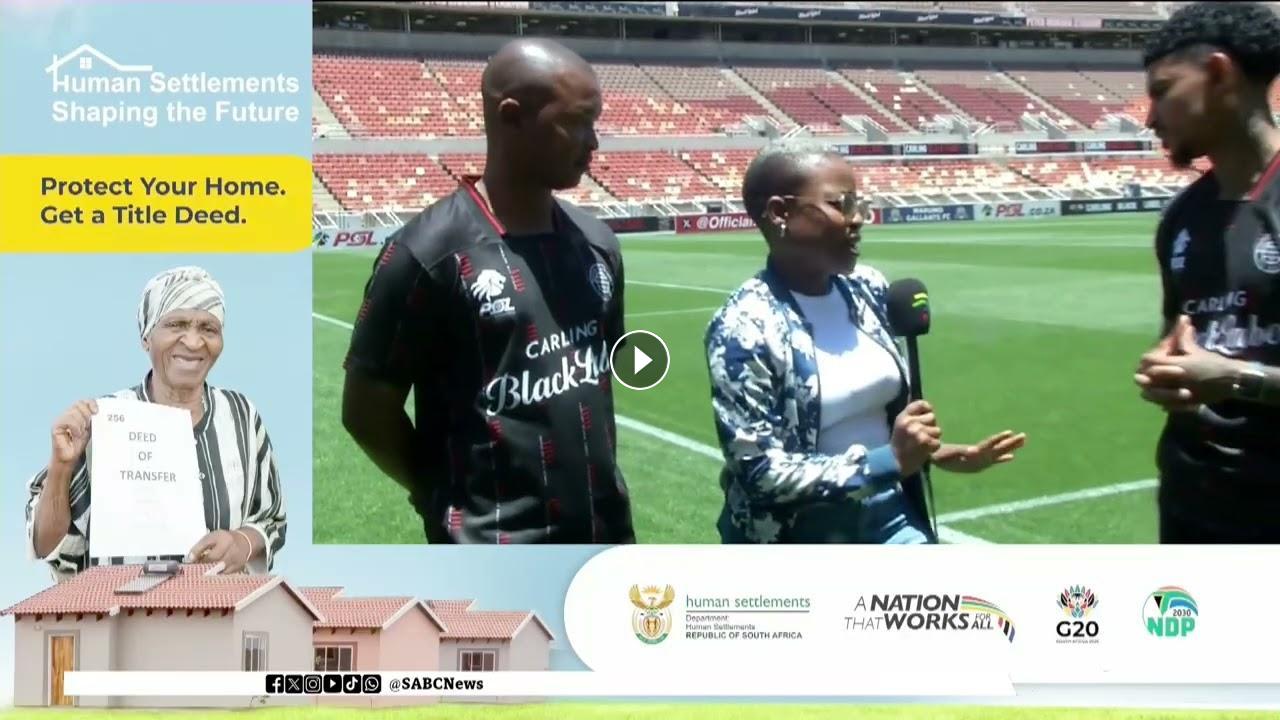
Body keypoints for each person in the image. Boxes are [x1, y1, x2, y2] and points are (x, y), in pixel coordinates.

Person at [342, 38, 634, 544]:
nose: (594, 142)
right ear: (512, 116)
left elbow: (598, 382)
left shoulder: (598, 244)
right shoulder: (427, 255)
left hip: (605, 542)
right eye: (577, 122)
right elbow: (366, 411)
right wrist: (437, 492)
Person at [704, 144, 1026, 543]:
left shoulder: (867, 288)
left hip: (892, 516)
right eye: (841, 204)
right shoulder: (743, 327)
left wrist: (932, 452)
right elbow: (759, 474)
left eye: (859, 204)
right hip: (799, 537)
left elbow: (879, 417)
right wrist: (887, 461)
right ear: (779, 213)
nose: (858, 218)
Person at [25, 266, 287, 581]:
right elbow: (45, 545)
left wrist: (241, 543)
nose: (194, 342)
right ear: (146, 337)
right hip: (119, 608)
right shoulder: (102, 424)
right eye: (176, 324)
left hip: (219, 608)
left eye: (208, 328)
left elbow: (271, 519)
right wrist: (61, 466)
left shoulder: (241, 417)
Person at [1134, 1, 1280, 543]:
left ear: (1219, 74)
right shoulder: (1182, 216)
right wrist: (1170, 371)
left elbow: (1226, 371)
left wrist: (1237, 379)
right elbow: (1184, 337)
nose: (1150, 117)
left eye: (1162, 91)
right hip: (1192, 498)